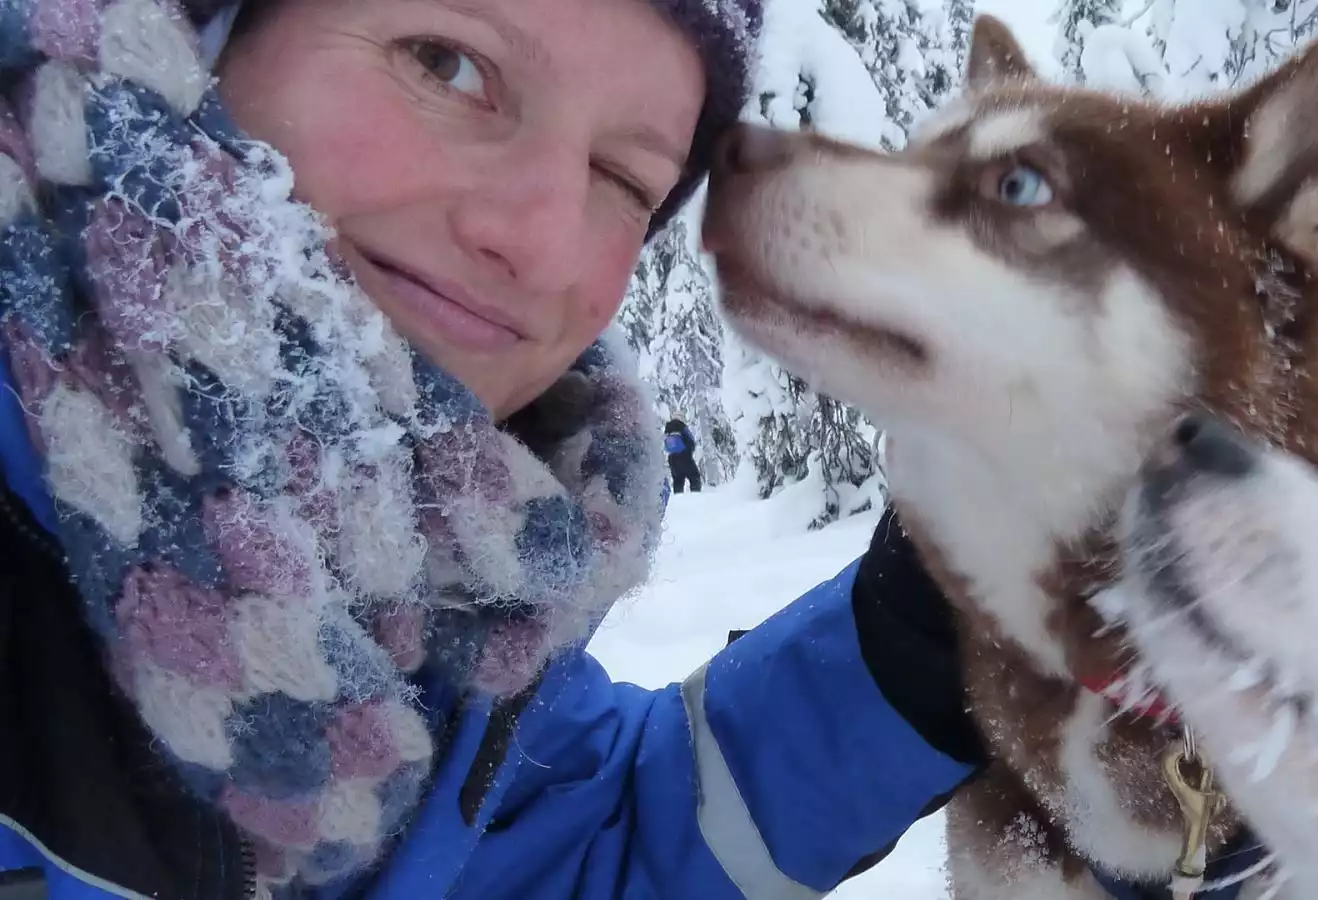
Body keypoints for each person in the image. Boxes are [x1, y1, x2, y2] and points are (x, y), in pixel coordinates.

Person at [0, 2, 985, 899]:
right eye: (447, 65)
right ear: (201, 35)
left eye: (623, 179)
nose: (541, 240)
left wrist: (917, 638)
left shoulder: (442, 612)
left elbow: (596, 833)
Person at [664, 414, 703, 493]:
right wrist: (690, 451)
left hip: (672, 458)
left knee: (678, 480)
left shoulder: (667, 428)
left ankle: (678, 499)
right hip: (685, 456)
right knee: (694, 477)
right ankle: (696, 497)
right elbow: (691, 440)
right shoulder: (682, 426)